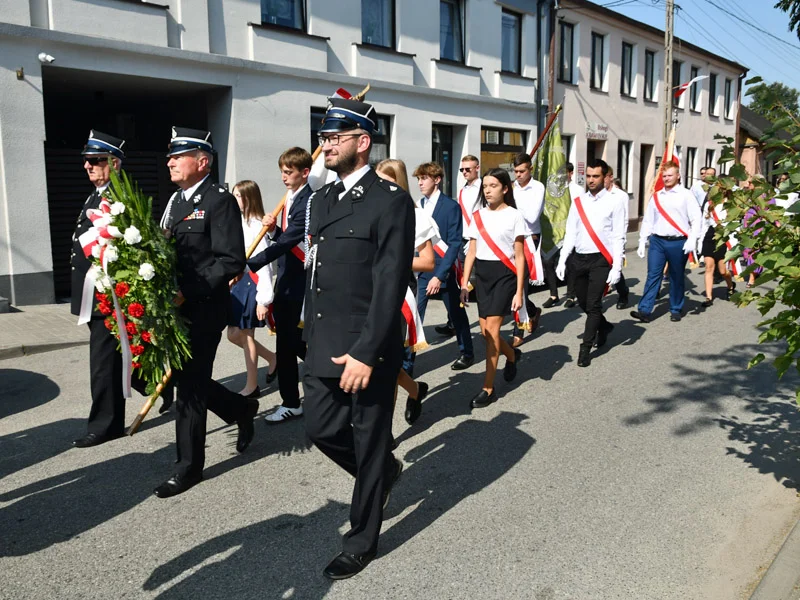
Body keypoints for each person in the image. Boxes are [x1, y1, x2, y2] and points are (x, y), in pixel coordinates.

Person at [302, 98, 414, 579]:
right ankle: (384, 473)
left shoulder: (390, 201)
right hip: (325, 339)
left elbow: (389, 284)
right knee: (320, 429)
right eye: (324, 137)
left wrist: (367, 353)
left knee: (368, 443)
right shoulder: (323, 198)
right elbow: (318, 272)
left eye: (334, 137)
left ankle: (362, 537)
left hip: (367, 346)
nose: (324, 145)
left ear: (362, 143)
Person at [154, 127, 258, 498]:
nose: (170, 161)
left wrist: (188, 291)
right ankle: (240, 409)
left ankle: (188, 467)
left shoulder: (218, 200)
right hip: (176, 309)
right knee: (188, 381)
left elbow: (231, 260)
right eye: (170, 156)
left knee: (191, 388)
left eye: (177, 156)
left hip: (204, 308)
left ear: (202, 162)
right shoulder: (177, 202)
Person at [70, 130, 172, 447]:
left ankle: (105, 424)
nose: (88, 166)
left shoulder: (118, 198)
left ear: (113, 163)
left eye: (95, 160)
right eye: (86, 160)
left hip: (109, 296)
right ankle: (161, 382)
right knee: (119, 356)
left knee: (103, 362)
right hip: (95, 294)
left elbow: (133, 245)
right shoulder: (97, 195)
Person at [247, 147, 313, 423]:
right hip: (287, 280)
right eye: (282, 172)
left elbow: (290, 241)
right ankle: (310, 392)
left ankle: (292, 401)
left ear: (305, 173)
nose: (284, 177)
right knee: (292, 345)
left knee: (290, 346)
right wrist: (273, 228)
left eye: (289, 172)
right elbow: (284, 236)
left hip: (300, 283)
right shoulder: (290, 197)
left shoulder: (309, 200)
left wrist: (250, 262)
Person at [376, 158, 437, 425]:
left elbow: (428, 261)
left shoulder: (415, 214)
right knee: (380, 360)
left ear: (398, 183)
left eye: (386, 181)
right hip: (373, 288)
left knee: (387, 362)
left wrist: (394, 260)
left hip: (400, 290)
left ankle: (384, 433)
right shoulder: (372, 210)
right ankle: (415, 389)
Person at [460, 168, 526, 408]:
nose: (487, 190)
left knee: (493, 333)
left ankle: (488, 388)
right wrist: (465, 282)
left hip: (505, 275)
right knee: (486, 331)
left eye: (493, 186)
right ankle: (511, 355)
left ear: (505, 189)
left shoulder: (514, 216)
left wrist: (519, 292)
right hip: (484, 276)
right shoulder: (477, 216)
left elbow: (520, 257)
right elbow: (472, 253)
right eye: (485, 186)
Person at [405, 162, 474, 374]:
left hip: (445, 270)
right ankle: (407, 364)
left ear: (437, 180)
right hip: (423, 271)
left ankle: (467, 352)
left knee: (456, 314)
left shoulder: (451, 206)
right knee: (413, 316)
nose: (420, 183)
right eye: (418, 179)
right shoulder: (418, 205)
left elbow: (454, 243)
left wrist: (441, 275)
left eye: (424, 178)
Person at [555, 159, 625, 367]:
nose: (591, 180)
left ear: (605, 178)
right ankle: (603, 327)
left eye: (596, 176)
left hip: (600, 259)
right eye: (589, 176)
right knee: (584, 303)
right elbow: (571, 232)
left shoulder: (614, 201)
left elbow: (618, 235)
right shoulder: (579, 202)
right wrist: (562, 259)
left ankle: (585, 347)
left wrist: (617, 266)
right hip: (579, 259)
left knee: (594, 304)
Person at [631, 160, 702, 323]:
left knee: (676, 276)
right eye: (664, 176)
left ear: (678, 176)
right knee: (653, 275)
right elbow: (649, 220)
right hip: (658, 241)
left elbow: (696, 218)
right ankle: (644, 310)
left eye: (670, 175)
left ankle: (676, 308)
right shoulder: (657, 196)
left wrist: (693, 239)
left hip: (678, 242)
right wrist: (642, 240)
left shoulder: (686, 195)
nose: (667, 178)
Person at [226, 180, 276, 398]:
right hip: (237, 284)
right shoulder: (236, 221)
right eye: (234, 195)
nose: (235, 199)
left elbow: (264, 264)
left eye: (239, 195)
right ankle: (273, 358)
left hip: (252, 283)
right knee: (233, 334)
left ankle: (252, 385)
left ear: (249, 198)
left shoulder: (256, 224)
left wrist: (264, 299)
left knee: (245, 335)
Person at [435, 154, 482, 338]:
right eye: (462, 169)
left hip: (478, 240)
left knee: (479, 280)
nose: (464, 172)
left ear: (477, 168)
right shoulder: (462, 190)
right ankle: (453, 321)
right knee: (458, 280)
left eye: (468, 169)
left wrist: (473, 239)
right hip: (462, 240)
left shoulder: (484, 188)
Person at [510, 153, 544, 346]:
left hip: (530, 239)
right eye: (515, 172)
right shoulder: (512, 187)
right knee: (514, 285)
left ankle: (519, 331)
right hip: (513, 237)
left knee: (520, 284)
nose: (518, 175)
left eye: (522, 171)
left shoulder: (537, 187)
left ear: (530, 169)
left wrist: (512, 210)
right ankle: (531, 311)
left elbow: (532, 216)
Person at [700, 192, 736, 306]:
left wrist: (733, 242)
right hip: (710, 236)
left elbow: (734, 223)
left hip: (724, 236)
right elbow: (704, 224)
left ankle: (730, 286)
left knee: (722, 271)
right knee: (709, 267)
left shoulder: (731, 204)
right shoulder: (709, 204)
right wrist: (699, 242)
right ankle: (708, 297)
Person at [604, 167, 631, 310]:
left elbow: (624, 220)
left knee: (615, 267)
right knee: (600, 266)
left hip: (615, 237)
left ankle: (623, 292)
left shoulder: (620, 195)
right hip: (600, 237)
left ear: (610, 178)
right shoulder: (597, 194)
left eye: (604, 177)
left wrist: (622, 239)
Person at [561, 162, 584, 308]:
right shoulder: (557, 190)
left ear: (571, 173)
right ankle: (554, 294)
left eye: (565, 173)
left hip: (574, 232)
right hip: (558, 231)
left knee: (571, 265)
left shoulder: (578, 190)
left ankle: (571, 295)